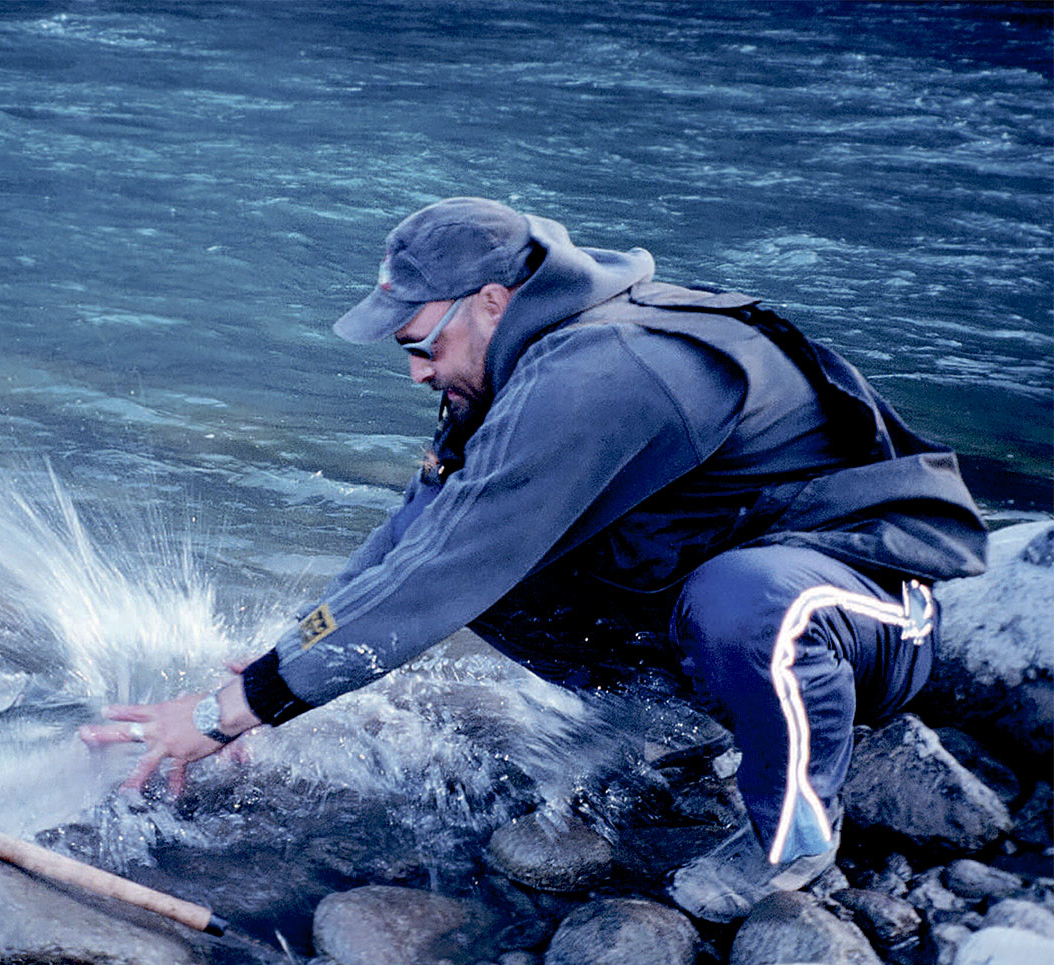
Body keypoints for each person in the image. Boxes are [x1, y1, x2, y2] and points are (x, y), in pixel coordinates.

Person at [80, 197, 988, 921]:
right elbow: (414, 538)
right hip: (723, 579)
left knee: (739, 601)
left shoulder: (604, 372)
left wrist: (229, 712)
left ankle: (792, 832)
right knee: (503, 583)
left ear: (490, 300)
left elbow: (450, 566)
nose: (415, 372)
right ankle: (689, 725)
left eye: (417, 344)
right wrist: (277, 667)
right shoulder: (511, 366)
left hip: (868, 605)